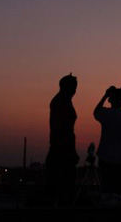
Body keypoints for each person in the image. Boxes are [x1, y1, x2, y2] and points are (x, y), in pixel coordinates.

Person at [93, 86, 121, 196]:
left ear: (110, 100)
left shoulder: (106, 114)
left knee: (107, 188)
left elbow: (96, 111)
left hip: (106, 155)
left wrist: (105, 95)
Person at [45, 73, 79, 207]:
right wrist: (71, 151)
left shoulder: (63, 101)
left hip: (62, 150)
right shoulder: (60, 103)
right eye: (73, 87)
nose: (75, 91)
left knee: (61, 191)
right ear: (66, 87)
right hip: (61, 151)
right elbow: (61, 130)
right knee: (64, 191)